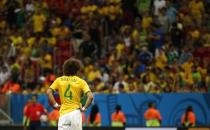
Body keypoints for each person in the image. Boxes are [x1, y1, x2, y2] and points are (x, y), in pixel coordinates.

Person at [47, 58, 94, 130]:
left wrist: (55, 104)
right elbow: (90, 97)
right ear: (77, 70)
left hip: (64, 114)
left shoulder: (59, 80)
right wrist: (84, 108)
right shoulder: (81, 81)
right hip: (76, 114)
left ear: (65, 69)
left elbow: (49, 92)